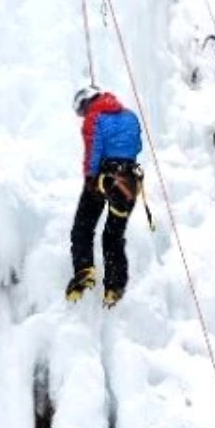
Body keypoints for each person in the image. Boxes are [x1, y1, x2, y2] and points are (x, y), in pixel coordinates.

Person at [67, 85, 144, 308]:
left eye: (81, 110)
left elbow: (93, 150)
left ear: (86, 102)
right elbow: (137, 145)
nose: (83, 115)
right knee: (113, 235)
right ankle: (114, 286)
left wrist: (90, 178)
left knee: (83, 227)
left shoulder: (94, 116)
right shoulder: (130, 116)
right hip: (129, 182)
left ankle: (84, 271)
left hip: (104, 179)